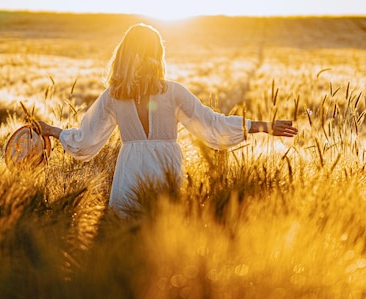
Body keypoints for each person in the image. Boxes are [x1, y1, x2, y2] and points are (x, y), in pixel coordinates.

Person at [38, 23, 298, 217]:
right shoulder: (172, 92)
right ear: (157, 54)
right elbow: (212, 124)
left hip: (129, 171)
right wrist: (262, 126)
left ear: (124, 54)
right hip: (165, 168)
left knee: (128, 235)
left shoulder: (114, 96)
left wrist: (52, 130)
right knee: (163, 236)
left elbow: (86, 140)